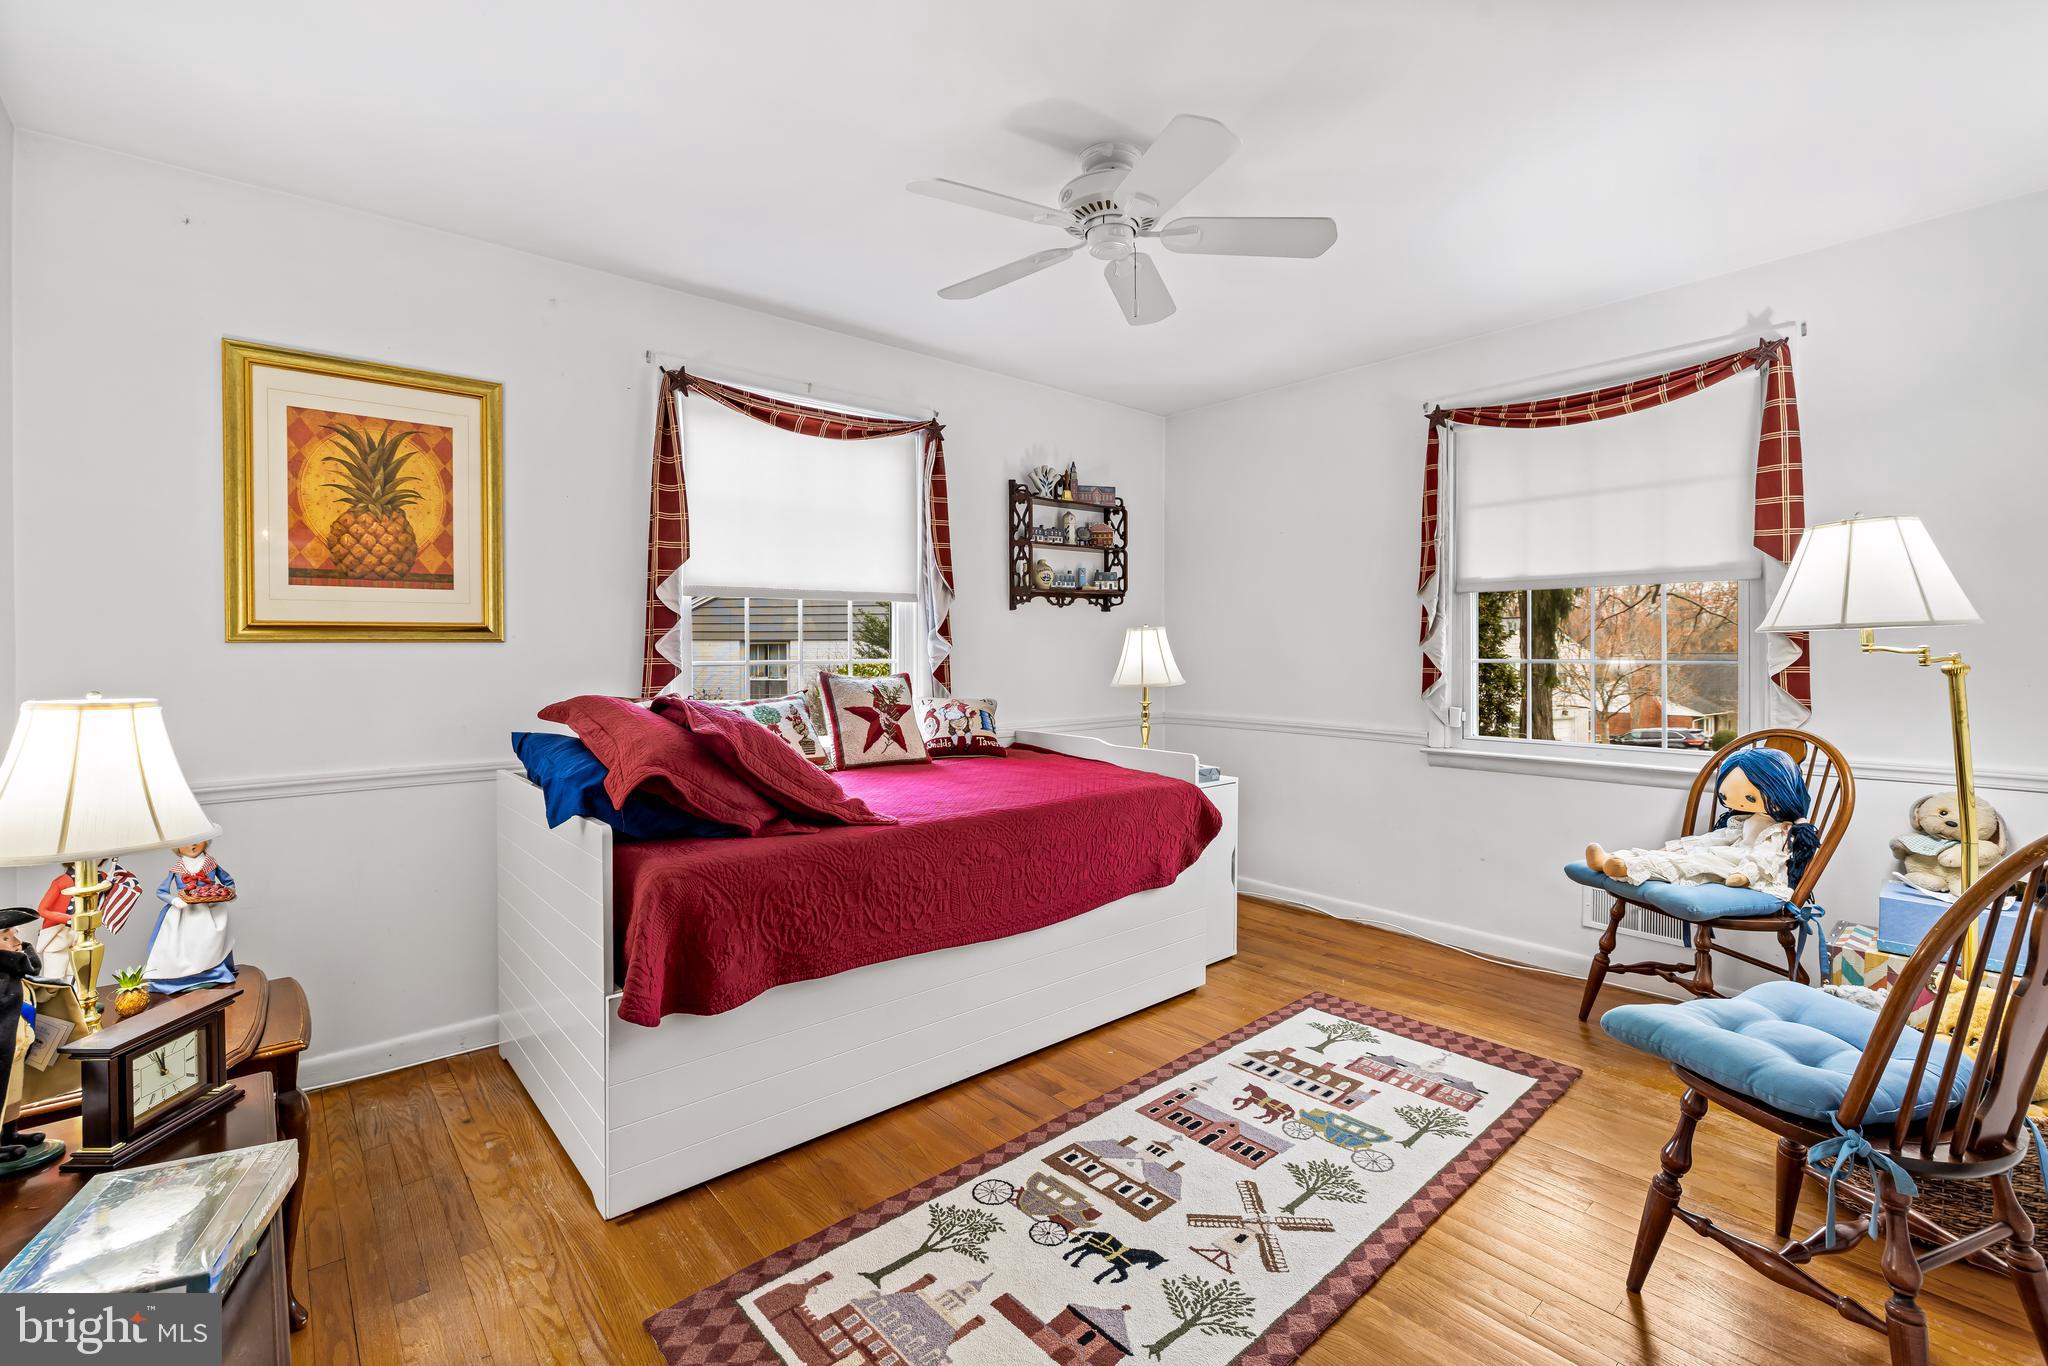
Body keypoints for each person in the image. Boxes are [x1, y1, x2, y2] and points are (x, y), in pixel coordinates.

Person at [143, 840, 239, 994]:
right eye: (186, 843)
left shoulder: (210, 863)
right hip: (184, 911)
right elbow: (161, 891)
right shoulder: (177, 869)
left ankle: (215, 973)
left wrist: (228, 893)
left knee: (210, 942)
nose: (192, 846)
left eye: (197, 841)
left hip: (210, 909)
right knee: (180, 944)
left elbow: (228, 881)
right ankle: (177, 979)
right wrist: (174, 900)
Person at [0, 906, 49, 1165]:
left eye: (16, 933)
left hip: (18, 1040)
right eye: (6, 937)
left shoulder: (16, 970)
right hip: (3, 1044)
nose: (17, 941)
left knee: (13, 1090)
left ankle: (9, 1134)